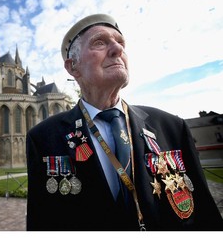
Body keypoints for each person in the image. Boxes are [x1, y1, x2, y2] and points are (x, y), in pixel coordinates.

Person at [26, 14, 223, 231]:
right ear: (73, 67)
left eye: (120, 43)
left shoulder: (172, 127)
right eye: (100, 42)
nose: (117, 49)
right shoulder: (43, 137)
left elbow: (208, 218)